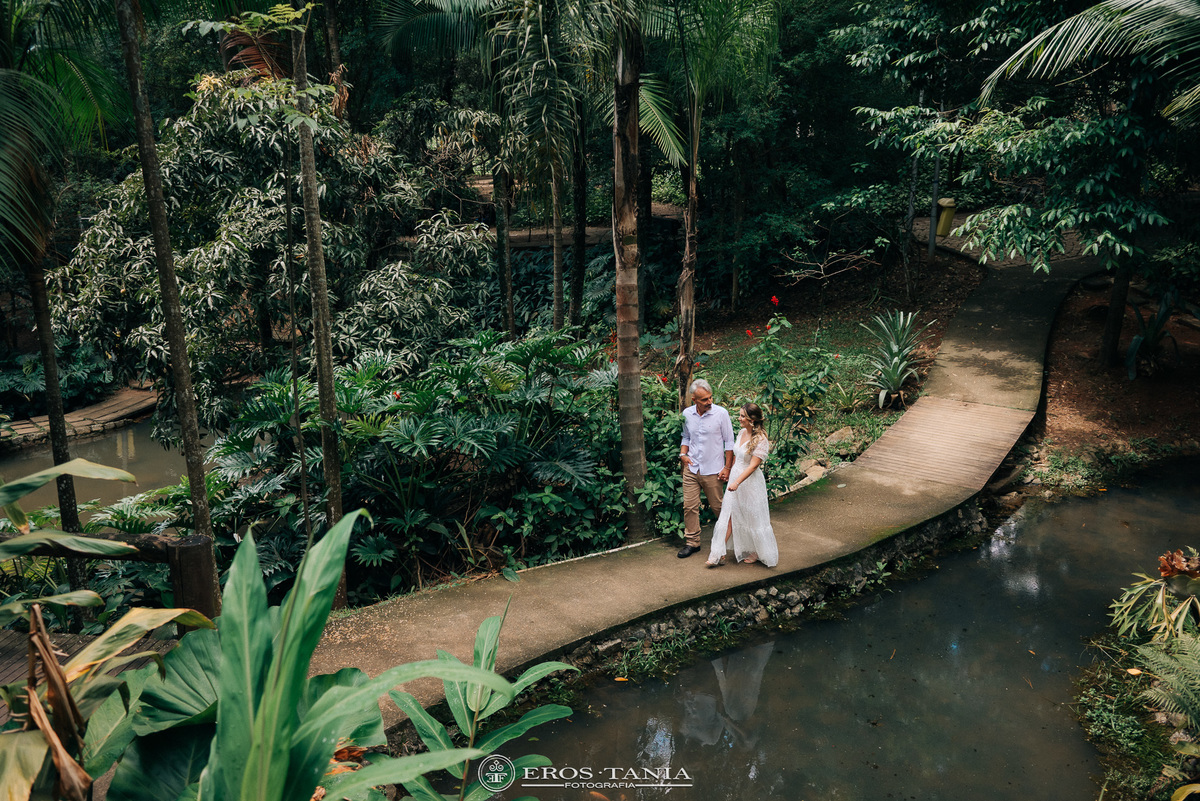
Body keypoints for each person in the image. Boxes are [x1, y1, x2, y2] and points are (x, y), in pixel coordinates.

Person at [706, 403, 778, 568]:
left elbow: (753, 466)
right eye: (740, 415)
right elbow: (736, 457)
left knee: (752, 518)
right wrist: (728, 472)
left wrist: (737, 482)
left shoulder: (761, 440)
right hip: (734, 479)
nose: (739, 418)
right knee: (728, 517)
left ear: (752, 420)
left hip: (749, 482)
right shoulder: (740, 433)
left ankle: (757, 551)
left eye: (742, 416)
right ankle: (718, 553)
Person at [678, 379, 735, 558]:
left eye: (710, 398)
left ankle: (730, 540)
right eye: (704, 399)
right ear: (694, 399)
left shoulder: (721, 414)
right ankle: (692, 542)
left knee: (718, 507)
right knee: (689, 507)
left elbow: (730, 442)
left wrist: (727, 467)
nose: (709, 402)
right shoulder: (686, 414)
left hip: (714, 470)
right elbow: (686, 437)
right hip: (692, 468)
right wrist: (683, 455)